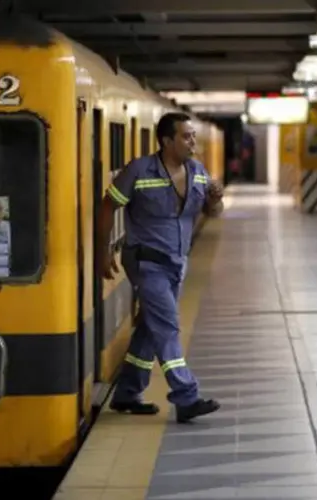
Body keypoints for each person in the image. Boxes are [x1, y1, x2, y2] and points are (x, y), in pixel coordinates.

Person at [96, 112, 224, 423]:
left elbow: (215, 211)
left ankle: (127, 392)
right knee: (167, 327)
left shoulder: (198, 172)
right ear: (167, 141)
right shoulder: (139, 170)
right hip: (146, 261)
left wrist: (216, 200)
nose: (192, 141)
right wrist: (102, 251)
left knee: (149, 330)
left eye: (193, 135)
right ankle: (186, 396)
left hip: (176, 263)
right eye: (186, 136)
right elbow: (108, 205)